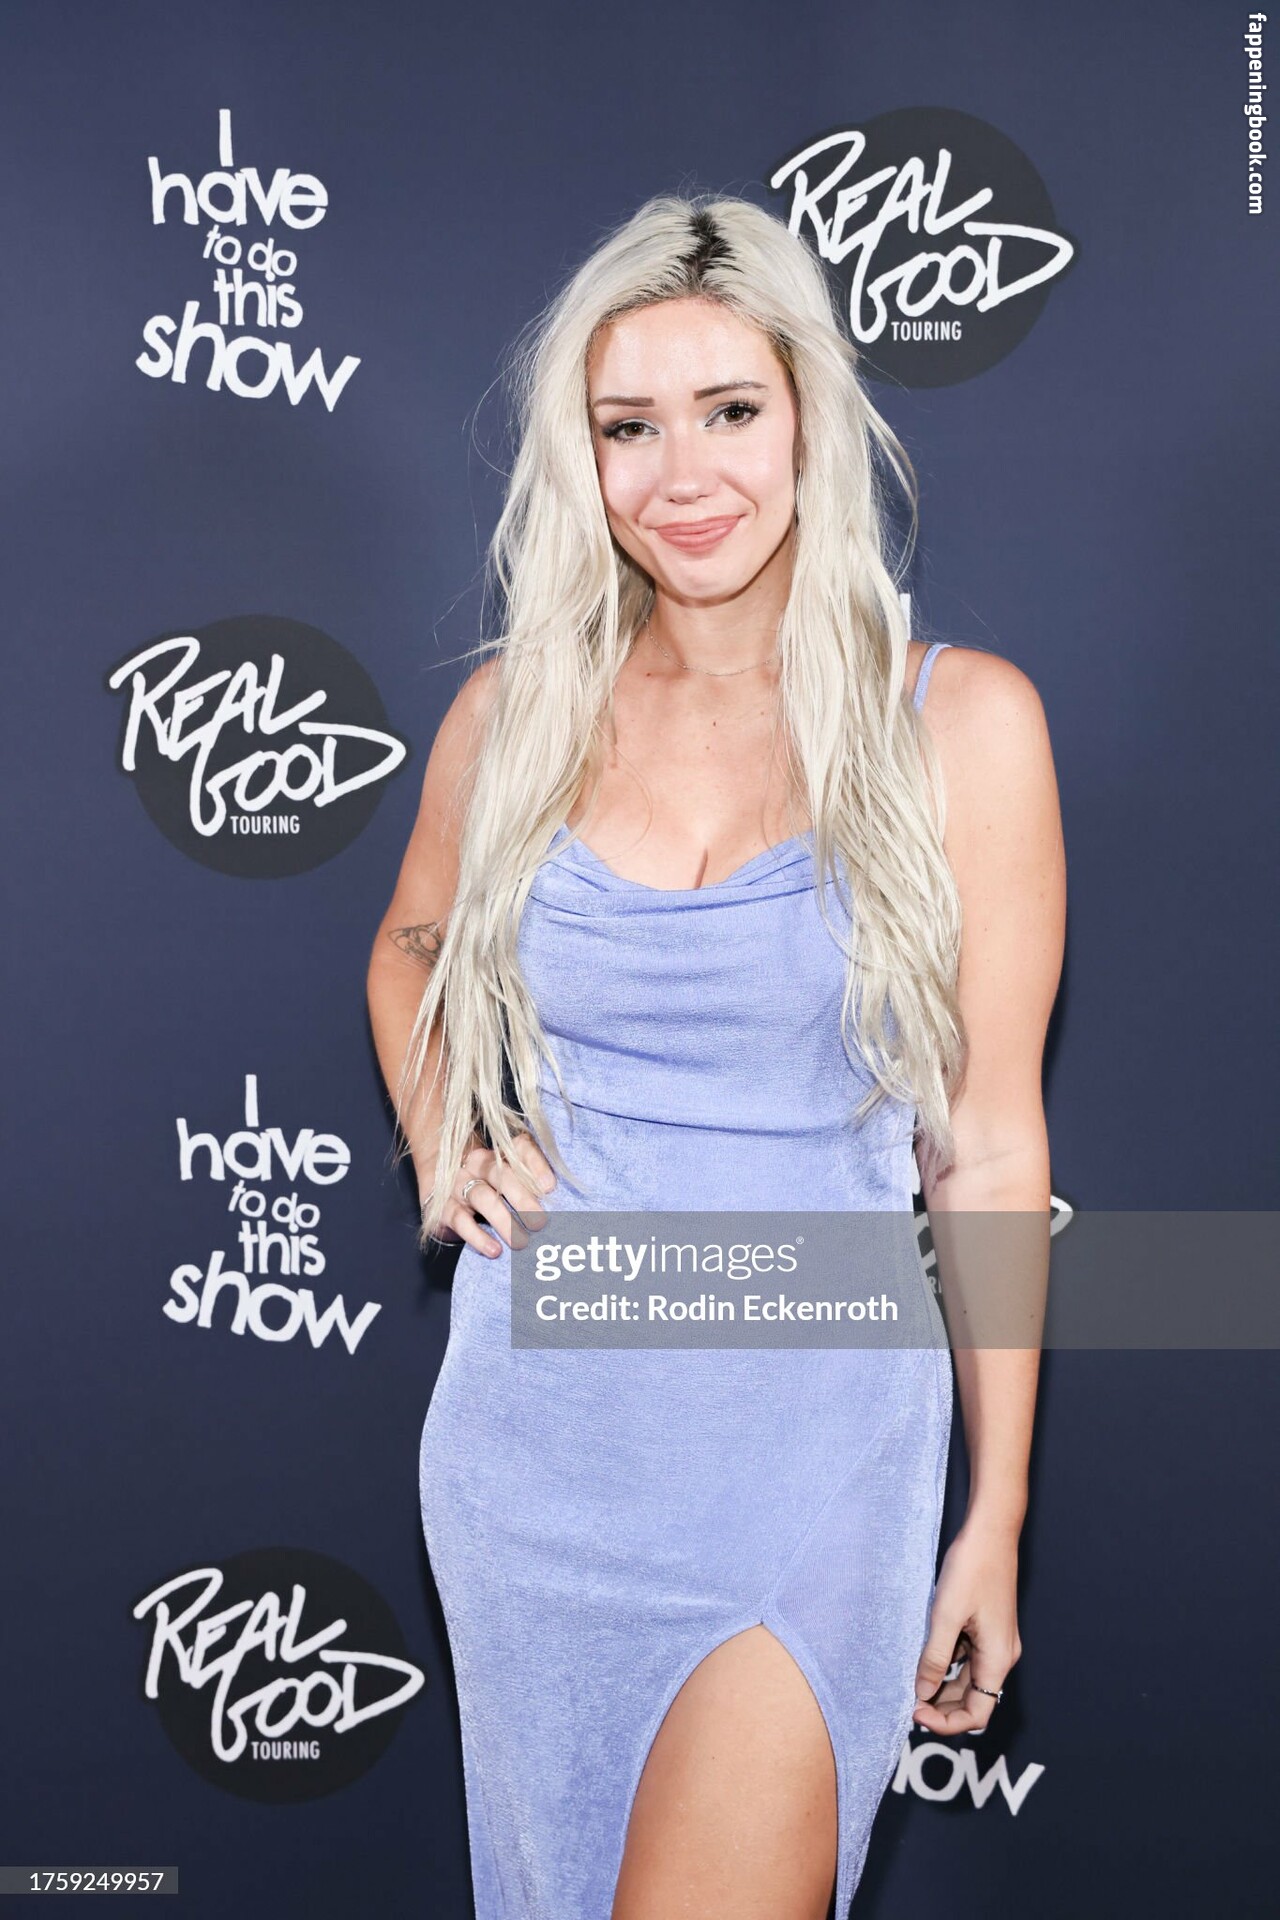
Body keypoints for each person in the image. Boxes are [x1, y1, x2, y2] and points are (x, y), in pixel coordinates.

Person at [367, 194, 1064, 1920]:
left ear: (810, 417)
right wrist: (446, 1135)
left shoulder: (961, 725)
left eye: (730, 410)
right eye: (631, 426)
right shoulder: (516, 712)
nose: (683, 474)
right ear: (583, 456)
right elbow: (410, 948)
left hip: (811, 1444)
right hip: (538, 1440)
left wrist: (995, 1515)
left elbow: (986, 1149)